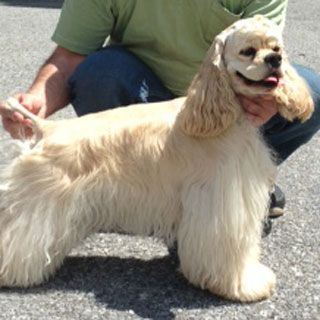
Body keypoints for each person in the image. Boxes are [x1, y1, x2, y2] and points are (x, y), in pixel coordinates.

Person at [1, 0, 319, 225]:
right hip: (144, 96)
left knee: (313, 93)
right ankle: (134, 193)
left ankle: (242, 182)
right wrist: (35, 102)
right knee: (100, 74)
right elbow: (70, 56)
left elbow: (271, 53)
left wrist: (264, 101)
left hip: (226, 105)